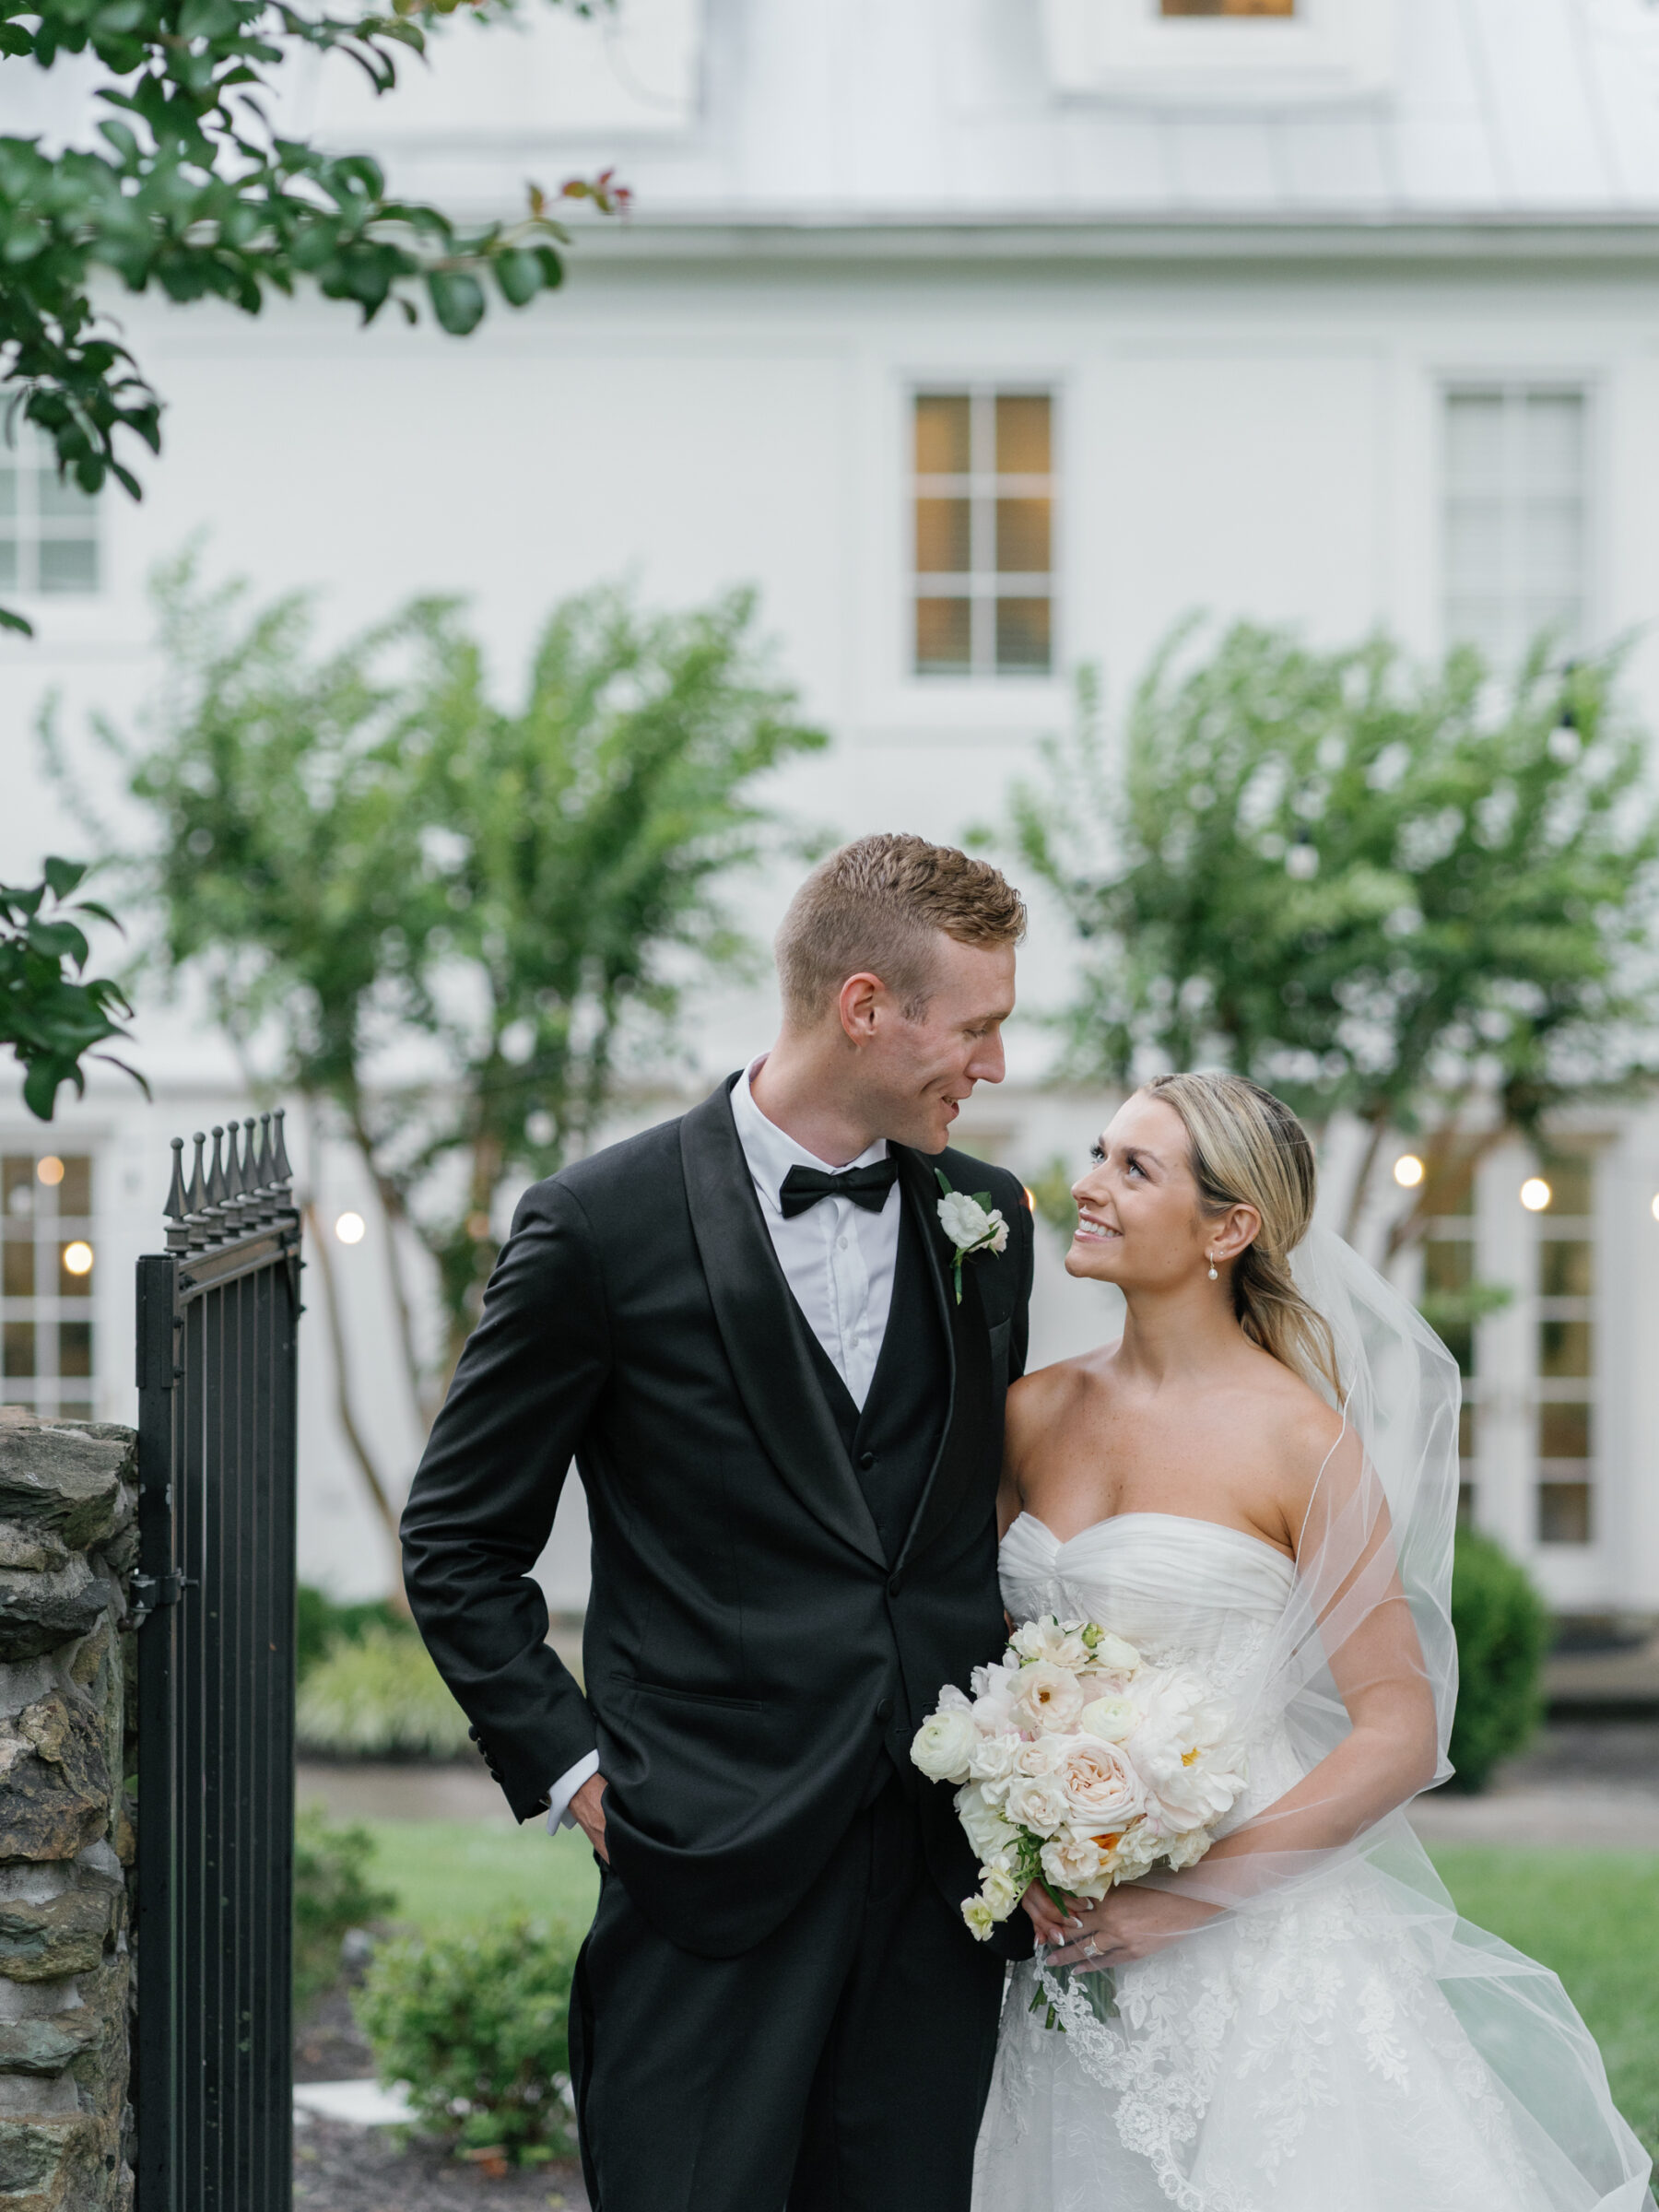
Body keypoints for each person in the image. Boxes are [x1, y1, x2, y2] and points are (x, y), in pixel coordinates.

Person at [400, 833, 1036, 2212]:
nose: (991, 1066)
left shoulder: (988, 1219)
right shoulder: (597, 1225)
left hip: (939, 1873)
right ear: (866, 1007)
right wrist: (582, 1781)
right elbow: (456, 1541)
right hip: (706, 1856)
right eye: (976, 1029)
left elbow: (970, 1514)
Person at [974, 1071, 1654, 2212]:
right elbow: (994, 1656)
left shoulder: (1303, 1443)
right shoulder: (1029, 1410)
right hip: (1065, 1940)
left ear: (1229, 1229)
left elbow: (1398, 1731)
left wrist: (1190, 1899)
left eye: (1133, 1169)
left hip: (1258, 1945)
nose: (1087, 1188)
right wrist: (1025, 1840)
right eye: (1099, 1154)